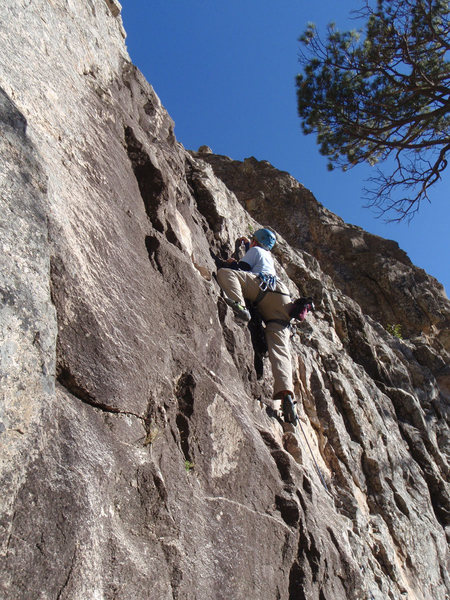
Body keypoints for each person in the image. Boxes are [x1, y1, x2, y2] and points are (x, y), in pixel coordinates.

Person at [216, 228, 314, 424]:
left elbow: (241, 270)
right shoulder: (266, 256)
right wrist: (246, 245)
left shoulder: (255, 251)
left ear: (256, 241)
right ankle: (286, 393)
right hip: (282, 300)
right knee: (280, 349)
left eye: (252, 240)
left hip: (263, 289)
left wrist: (232, 261)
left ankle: (238, 306)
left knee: (226, 274)